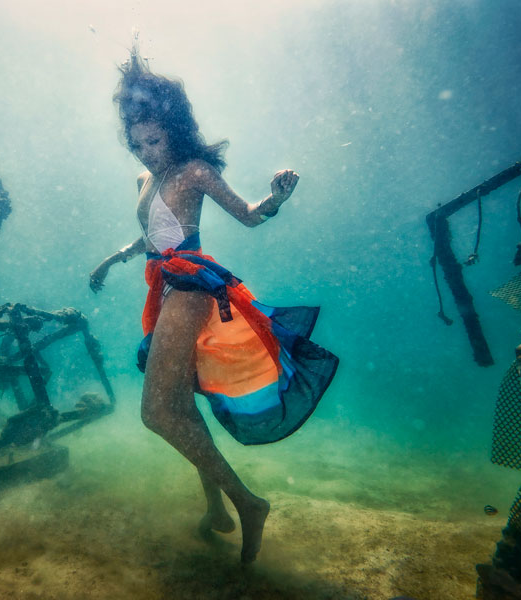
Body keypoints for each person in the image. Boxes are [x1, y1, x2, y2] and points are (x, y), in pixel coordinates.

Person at [89, 50, 338, 564]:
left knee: (158, 413)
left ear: (174, 131)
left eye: (155, 141)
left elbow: (248, 214)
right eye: (137, 144)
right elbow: (153, 238)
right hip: (164, 291)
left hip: (191, 292)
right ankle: (216, 510)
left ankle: (248, 504)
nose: (147, 153)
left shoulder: (194, 171)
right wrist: (112, 260)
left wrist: (276, 198)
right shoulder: (145, 181)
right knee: (180, 406)